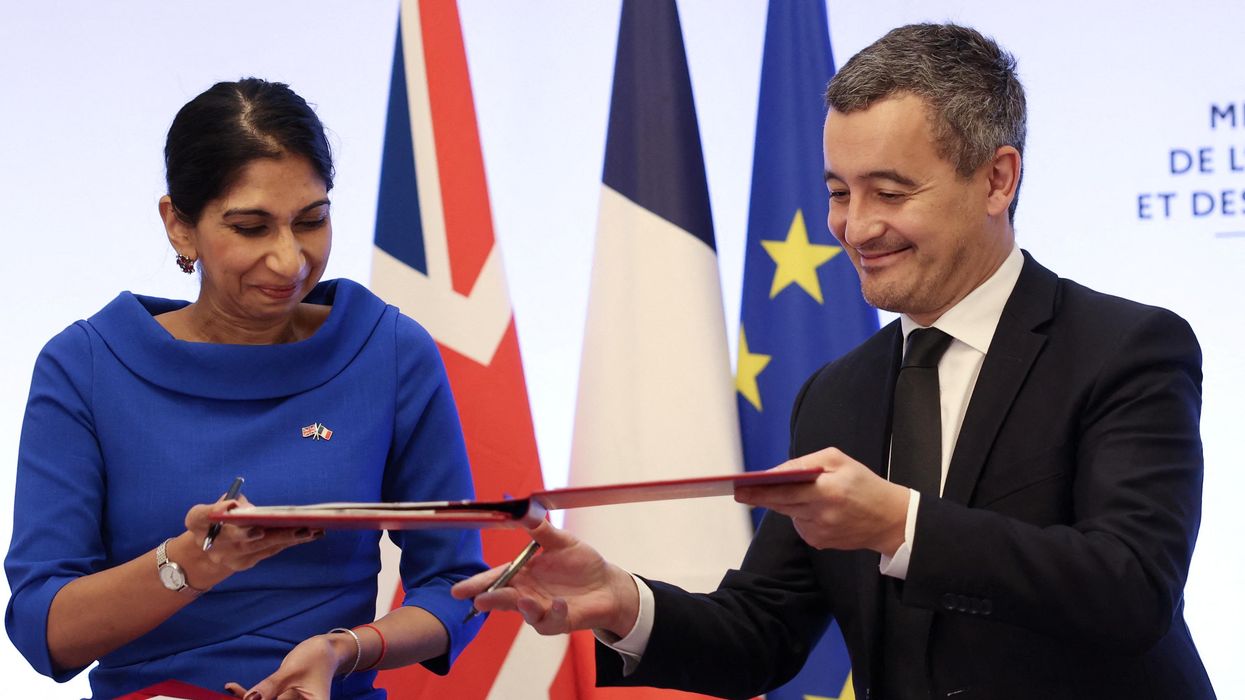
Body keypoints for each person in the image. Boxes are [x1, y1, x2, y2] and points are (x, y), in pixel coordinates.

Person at [453, 23, 1217, 700]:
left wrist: (900, 524)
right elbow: (763, 634)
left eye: (888, 192)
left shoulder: (1125, 349)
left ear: (996, 178)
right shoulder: (835, 393)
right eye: (836, 192)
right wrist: (621, 602)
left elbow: (1130, 588)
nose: (853, 227)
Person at [5, 78, 486, 699]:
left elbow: (455, 588)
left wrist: (346, 649)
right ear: (180, 226)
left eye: (311, 221)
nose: (290, 261)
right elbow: (45, 630)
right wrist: (195, 562)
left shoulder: (389, 352)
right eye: (252, 227)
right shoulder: (87, 366)